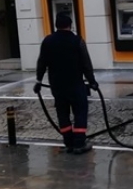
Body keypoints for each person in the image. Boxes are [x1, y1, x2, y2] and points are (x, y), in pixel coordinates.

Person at [33, 14, 98, 155]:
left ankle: (68, 143)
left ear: (56, 25)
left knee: (62, 113)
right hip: (75, 83)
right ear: (70, 25)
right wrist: (92, 81)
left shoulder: (47, 41)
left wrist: (38, 81)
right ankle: (79, 144)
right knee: (80, 111)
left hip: (57, 85)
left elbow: (41, 63)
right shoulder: (77, 41)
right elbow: (86, 64)